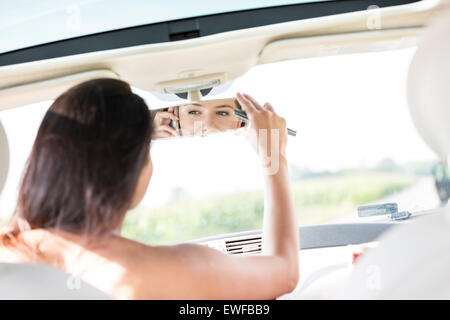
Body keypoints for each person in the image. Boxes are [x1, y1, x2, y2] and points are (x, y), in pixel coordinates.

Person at [0, 78, 299, 299]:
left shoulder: (8, 256)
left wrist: (131, 139)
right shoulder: (175, 270)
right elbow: (283, 270)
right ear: (136, 173)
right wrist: (274, 157)